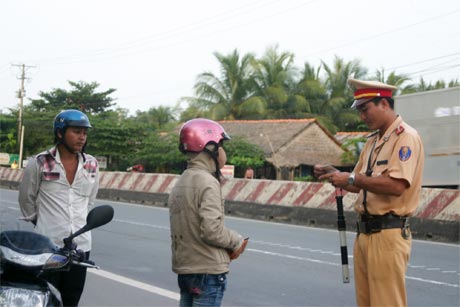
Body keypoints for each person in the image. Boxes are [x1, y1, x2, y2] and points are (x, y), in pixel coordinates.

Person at [314, 79, 424, 307]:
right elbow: (359, 183)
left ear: (384, 103)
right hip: (365, 234)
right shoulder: (373, 141)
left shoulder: (406, 138)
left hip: (388, 233)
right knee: (366, 303)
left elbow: (396, 186)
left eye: (365, 109)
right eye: (360, 111)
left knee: (386, 303)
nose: (362, 117)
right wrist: (337, 174)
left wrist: (352, 178)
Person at [19, 109, 99, 307]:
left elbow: (90, 201)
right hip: (47, 246)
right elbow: (26, 199)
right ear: (60, 133)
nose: (82, 137)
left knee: (71, 301)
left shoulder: (92, 164)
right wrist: (42, 223)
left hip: (80, 247)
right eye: (76, 132)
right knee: (44, 299)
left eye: (85, 133)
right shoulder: (40, 162)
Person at [168, 118, 249, 307]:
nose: (223, 151)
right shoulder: (207, 182)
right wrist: (236, 241)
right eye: (221, 145)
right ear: (209, 147)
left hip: (186, 270)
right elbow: (211, 230)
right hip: (207, 271)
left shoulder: (181, 181)